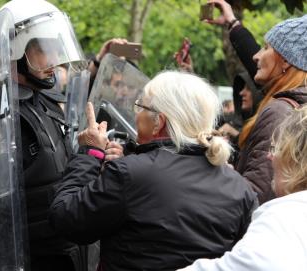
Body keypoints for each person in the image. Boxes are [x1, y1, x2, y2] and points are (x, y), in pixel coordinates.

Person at [50, 71, 258, 270]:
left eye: (140, 107)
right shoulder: (239, 186)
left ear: (159, 121)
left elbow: (66, 218)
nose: (136, 114)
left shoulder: (130, 174)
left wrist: (91, 154)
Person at [0, 1, 92, 270]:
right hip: (32, 255)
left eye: (55, 49)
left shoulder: (45, 101)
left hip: (64, 249)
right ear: (14, 50)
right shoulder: (0, 112)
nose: (53, 61)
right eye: (42, 50)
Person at [179, 105, 307, 271]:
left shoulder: (285, 219)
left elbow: (253, 265)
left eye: (276, 148)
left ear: (296, 158)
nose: (269, 156)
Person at [206, 0, 307, 204]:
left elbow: (255, 195)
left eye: (266, 47)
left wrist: (217, 175)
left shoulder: (280, 113)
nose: (256, 55)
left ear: (287, 60)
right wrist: (232, 23)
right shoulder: (294, 105)